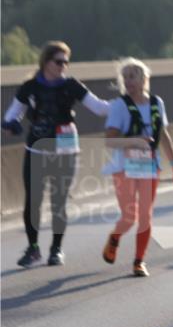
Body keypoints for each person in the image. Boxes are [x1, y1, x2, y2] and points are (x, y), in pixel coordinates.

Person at [3, 41, 112, 267]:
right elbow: (12, 115)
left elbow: (100, 108)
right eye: (59, 61)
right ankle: (33, 248)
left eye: (66, 62)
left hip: (65, 149)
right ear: (46, 62)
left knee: (58, 201)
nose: (64, 66)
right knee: (33, 202)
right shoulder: (30, 87)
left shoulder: (71, 86)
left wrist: (128, 103)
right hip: (36, 148)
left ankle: (56, 249)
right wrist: (10, 124)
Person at [101, 58, 173, 277]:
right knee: (129, 217)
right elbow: (109, 141)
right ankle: (115, 237)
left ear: (144, 79)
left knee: (146, 216)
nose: (128, 81)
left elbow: (164, 135)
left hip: (149, 167)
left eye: (133, 76)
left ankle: (139, 261)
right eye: (125, 77)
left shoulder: (157, 103)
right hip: (124, 167)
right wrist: (134, 140)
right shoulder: (119, 106)